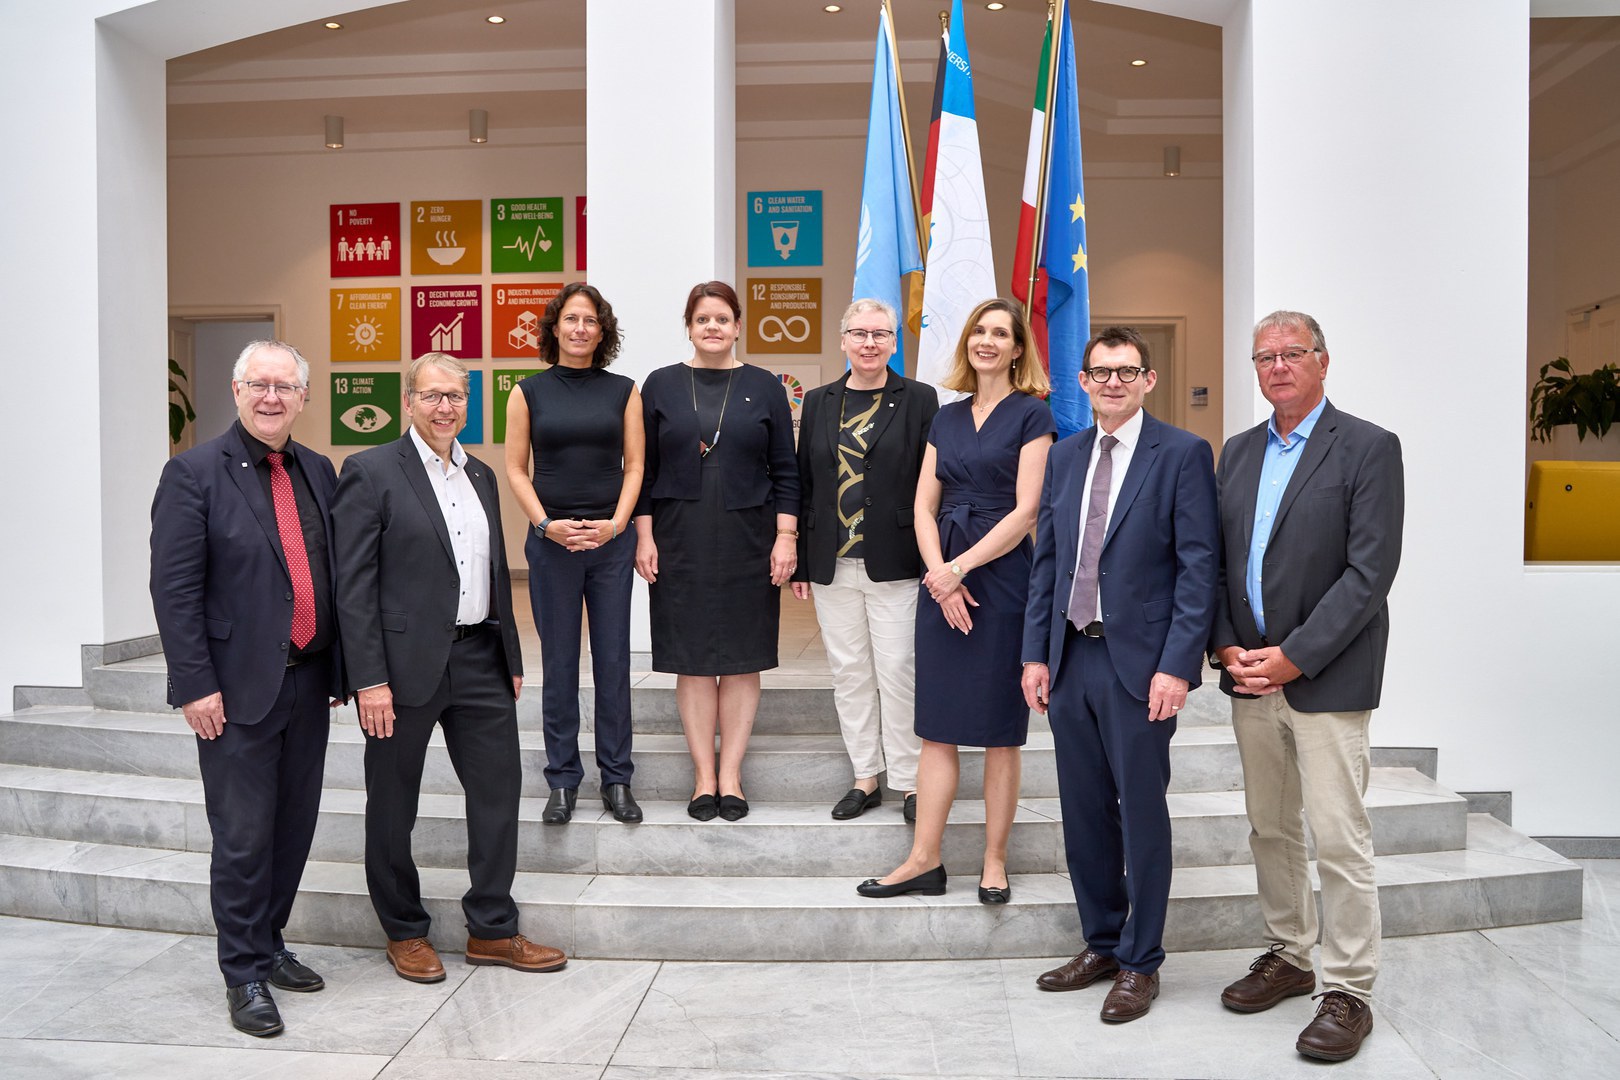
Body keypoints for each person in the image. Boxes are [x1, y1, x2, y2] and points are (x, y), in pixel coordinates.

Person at [333, 352, 566, 984]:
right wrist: (368, 679)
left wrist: (511, 654)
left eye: (456, 398)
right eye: (433, 396)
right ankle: (404, 930)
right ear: (408, 401)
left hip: (480, 659)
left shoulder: (482, 475)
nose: (445, 408)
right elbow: (352, 587)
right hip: (401, 669)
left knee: (497, 793)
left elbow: (491, 572)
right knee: (392, 802)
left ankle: (492, 928)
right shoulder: (371, 471)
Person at [1211, 310, 1403, 1063]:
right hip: (1248, 676)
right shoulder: (1236, 453)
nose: (1278, 366)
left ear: (1323, 362)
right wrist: (1227, 643)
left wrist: (1294, 655)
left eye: (1293, 353)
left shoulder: (1367, 447)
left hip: (1327, 676)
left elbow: (1370, 572)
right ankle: (1290, 955)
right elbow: (1218, 560)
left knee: (1337, 836)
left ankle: (1348, 989)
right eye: (1265, 356)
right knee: (1271, 826)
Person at [1021, 327, 1218, 1023]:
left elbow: (1199, 570)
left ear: (1148, 380)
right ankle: (1102, 942)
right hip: (1073, 657)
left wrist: (1178, 667)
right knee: (1083, 817)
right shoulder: (1066, 456)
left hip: (1141, 668)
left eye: (1125, 371)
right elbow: (1049, 563)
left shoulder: (1184, 455)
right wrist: (1035, 653)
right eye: (1100, 372)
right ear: (1082, 381)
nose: (1112, 382)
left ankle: (1141, 962)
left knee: (1140, 815)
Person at [149, 340, 343, 1037]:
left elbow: (333, 575)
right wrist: (194, 685)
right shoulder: (193, 474)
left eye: (284, 386)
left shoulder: (319, 471)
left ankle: (270, 941)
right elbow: (174, 591)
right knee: (241, 836)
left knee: (292, 829)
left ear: (303, 398)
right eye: (258, 384)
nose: (271, 397)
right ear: (236, 391)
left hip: (309, 683)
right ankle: (243, 972)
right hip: (233, 692)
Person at [858, 298, 1054, 901]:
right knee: (937, 728)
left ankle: (994, 861)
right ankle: (924, 859)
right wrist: (940, 573)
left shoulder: (1032, 415)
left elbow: (1025, 512)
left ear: (1018, 349)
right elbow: (923, 504)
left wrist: (960, 568)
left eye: (1001, 333)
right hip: (942, 572)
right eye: (979, 331)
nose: (987, 341)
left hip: (1000, 577)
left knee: (1000, 731)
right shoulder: (945, 417)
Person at [633, 281, 800, 823]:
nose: (712, 327)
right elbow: (643, 471)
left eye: (722, 319)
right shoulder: (659, 385)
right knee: (695, 661)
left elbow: (787, 471)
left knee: (743, 658)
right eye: (702, 319)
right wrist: (644, 535)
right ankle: (703, 777)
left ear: (737, 325)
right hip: (679, 536)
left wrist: (786, 536)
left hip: (750, 537)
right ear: (689, 325)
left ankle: (733, 775)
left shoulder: (765, 386)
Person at [791, 299, 937, 822]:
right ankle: (865, 776)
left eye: (881, 334)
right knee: (849, 672)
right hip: (833, 561)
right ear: (843, 339)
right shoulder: (819, 402)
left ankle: (910, 780)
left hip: (896, 560)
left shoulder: (919, 399)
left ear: (895, 342)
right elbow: (805, 484)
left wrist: (932, 560)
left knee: (899, 670)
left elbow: (931, 485)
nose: (870, 343)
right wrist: (804, 562)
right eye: (859, 333)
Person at [505, 283, 645, 825]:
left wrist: (615, 526)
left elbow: (635, 466)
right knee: (560, 664)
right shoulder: (527, 392)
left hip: (610, 544)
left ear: (602, 330)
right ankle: (562, 780)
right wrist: (545, 524)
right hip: (551, 545)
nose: (580, 328)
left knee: (613, 663)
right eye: (571, 320)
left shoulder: (624, 391)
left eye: (590, 320)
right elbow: (517, 468)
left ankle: (617, 780)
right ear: (555, 328)